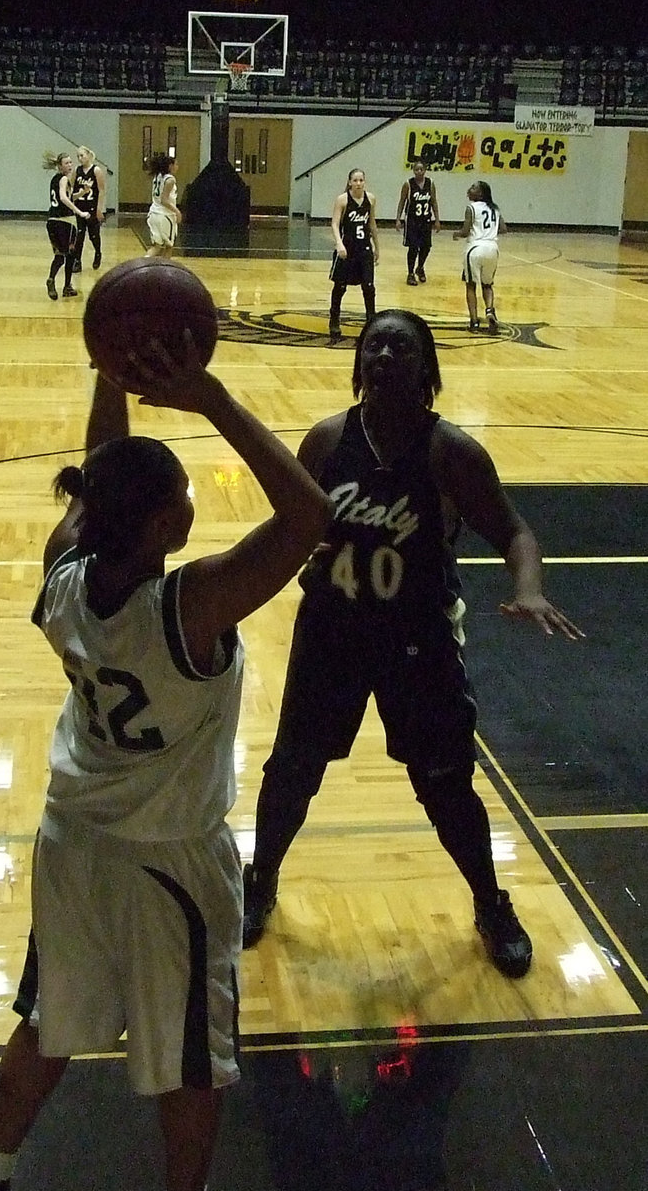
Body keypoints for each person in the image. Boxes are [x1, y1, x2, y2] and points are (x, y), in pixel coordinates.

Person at [0, 336, 332, 1191]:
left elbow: (101, 480)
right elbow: (308, 516)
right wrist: (212, 400)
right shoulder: (190, 608)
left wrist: (110, 370)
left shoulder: (63, 574)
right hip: (169, 865)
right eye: (183, 495)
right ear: (166, 525)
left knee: (45, 1022)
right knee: (190, 1061)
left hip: (71, 843)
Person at [242, 308, 584, 980]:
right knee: (291, 771)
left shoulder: (450, 452)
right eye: (374, 345)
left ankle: (490, 903)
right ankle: (261, 881)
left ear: (426, 367)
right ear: (358, 363)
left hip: (417, 641)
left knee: (445, 784)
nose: (383, 356)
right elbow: (287, 530)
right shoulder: (326, 441)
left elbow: (514, 531)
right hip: (331, 634)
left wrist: (530, 588)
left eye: (400, 347)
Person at [328, 168, 379, 342]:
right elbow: (335, 224)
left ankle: (371, 323)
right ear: (350, 182)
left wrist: (377, 247)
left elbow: (372, 224)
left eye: (361, 180)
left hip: (364, 248)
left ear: (365, 182)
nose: (358, 183)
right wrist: (339, 243)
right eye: (355, 180)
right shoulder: (342, 200)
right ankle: (334, 319)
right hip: (347, 249)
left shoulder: (370, 199)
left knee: (369, 287)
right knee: (340, 286)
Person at [453, 180, 507, 334]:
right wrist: (489, 232)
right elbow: (503, 229)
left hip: (475, 249)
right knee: (487, 285)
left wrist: (456, 234)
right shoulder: (495, 208)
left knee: (471, 285)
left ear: (481, 193)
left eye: (473, 188)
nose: (470, 189)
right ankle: (489, 310)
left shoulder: (471, 208)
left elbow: (465, 232)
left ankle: (474, 322)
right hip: (492, 249)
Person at [42, 151, 90, 301]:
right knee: (70, 254)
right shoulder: (63, 179)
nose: (70, 165)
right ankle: (67, 286)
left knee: (60, 255)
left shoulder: (55, 180)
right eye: (66, 163)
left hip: (51, 222)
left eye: (70, 162)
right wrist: (79, 212)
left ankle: (51, 279)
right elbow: (63, 198)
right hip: (65, 222)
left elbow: (68, 197)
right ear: (60, 166)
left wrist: (83, 192)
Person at [395, 159, 441, 285]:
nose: (419, 171)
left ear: (425, 170)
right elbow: (402, 201)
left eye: (421, 169)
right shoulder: (408, 184)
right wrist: (398, 219)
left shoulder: (430, 183)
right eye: (416, 169)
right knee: (413, 248)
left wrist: (437, 219)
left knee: (426, 247)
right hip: (412, 221)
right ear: (413, 171)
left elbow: (433, 201)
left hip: (426, 220)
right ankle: (410, 273)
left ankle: (420, 267)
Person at [71, 145, 106, 272]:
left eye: (82, 155)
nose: (80, 158)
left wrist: (99, 209)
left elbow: (101, 190)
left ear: (88, 155)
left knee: (93, 235)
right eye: (78, 156)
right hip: (80, 207)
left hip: (92, 207)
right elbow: (71, 188)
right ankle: (77, 261)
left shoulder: (96, 170)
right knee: (79, 236)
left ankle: (98, 253)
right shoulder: (77, 170)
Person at [146, 153, 182, 256]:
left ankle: (144, 262)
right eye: (176, 164)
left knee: (156, 246)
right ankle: (164, 266)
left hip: (153, 213)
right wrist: (177, 212)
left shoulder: (157, 176)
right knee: (169, 246)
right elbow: (164, 200)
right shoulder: (170, 179)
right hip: (165, 215)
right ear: (170, 166)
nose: (177, 166)